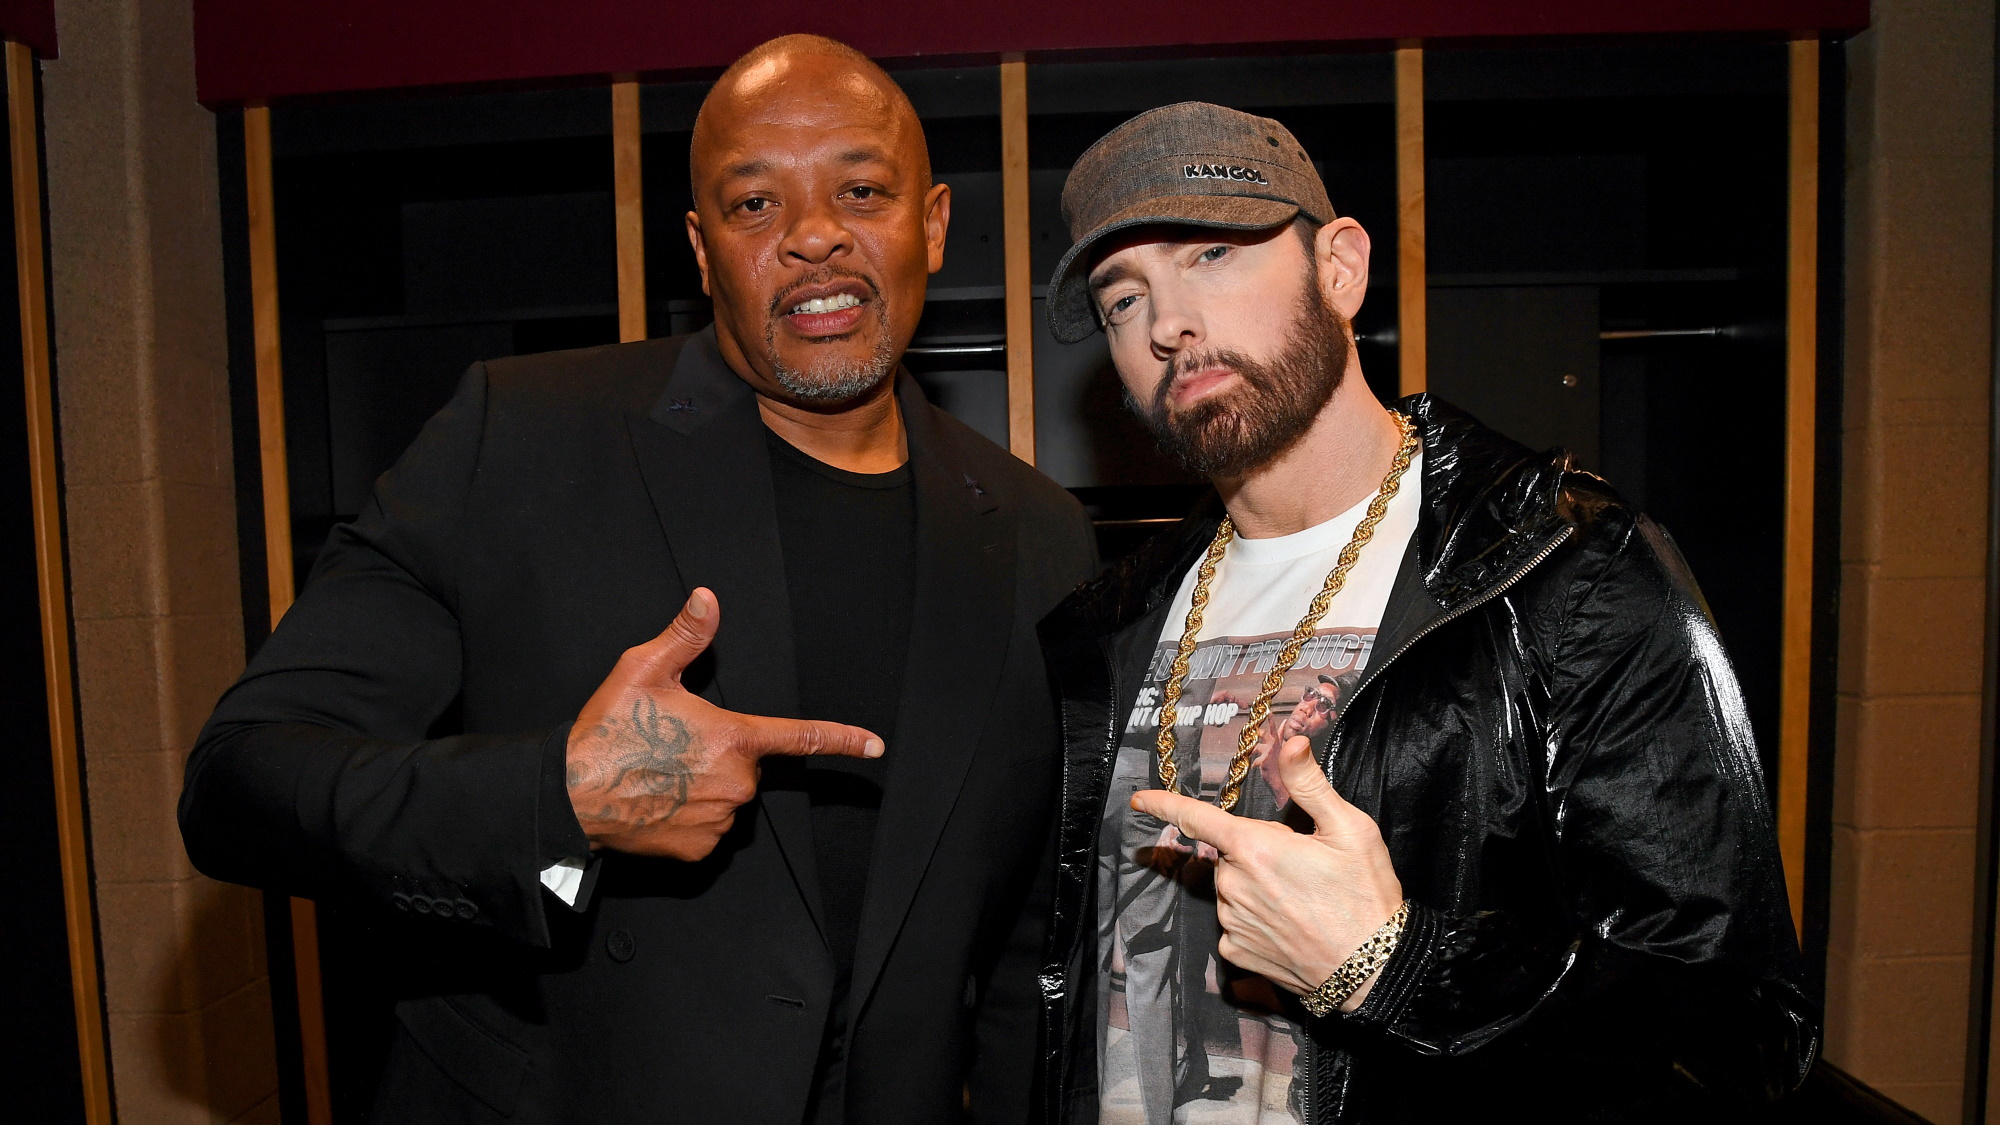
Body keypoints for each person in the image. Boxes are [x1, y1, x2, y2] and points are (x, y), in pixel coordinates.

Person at [178, 35, 1096, 1125]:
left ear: (931, 224)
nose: (813, 236)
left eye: (860, 189)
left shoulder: (1037, 533)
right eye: (755, 206)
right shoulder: (516, 439)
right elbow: (239, 789)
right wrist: (558, 800)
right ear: (701, 251)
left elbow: (1027, 942)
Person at [1033, 102, 1816, 1124]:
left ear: (1340, 268)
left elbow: (1738, 1041)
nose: (1166, 324)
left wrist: (1394, 966)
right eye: (1121, 300)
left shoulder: (1567, 573)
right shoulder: (1104, 626)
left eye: (1213, 255)